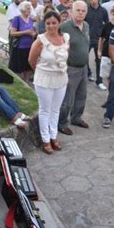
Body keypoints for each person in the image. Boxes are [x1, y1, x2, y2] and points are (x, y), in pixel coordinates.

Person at [29, 11, 70, 154]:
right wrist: (41, 70)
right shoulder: (40, 40)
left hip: (61, 79)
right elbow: (31, 60)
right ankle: (45, 140)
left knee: (55, 109)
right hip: (44, 79)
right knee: (45, 110)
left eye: (54, 23)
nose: (51, 26)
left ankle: (54, 136)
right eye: (48, 23)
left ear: (59, 23)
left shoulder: (65, 37)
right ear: (44, 24)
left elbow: (64, 56)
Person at [58, 0, 90, 135]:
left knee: (82, 96)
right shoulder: (65, 27)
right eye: (78, 10)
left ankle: (76, 118)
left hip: (84, 68)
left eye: (83, 11)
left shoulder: (86, 25)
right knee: (67, 100)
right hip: (71, 69)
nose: (81, 13)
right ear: (71, 11)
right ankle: (62, 123)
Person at [98, 5, 114, 102]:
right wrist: (99, 50)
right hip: (106, 54)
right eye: (113, 14)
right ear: (110, 14)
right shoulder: (107, 26)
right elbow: (101, 38)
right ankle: (110, 98)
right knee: (107, 77)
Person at [85, 0, 109, 89]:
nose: (93, 1)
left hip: (99, 39)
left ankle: (99, 81)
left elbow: (107, 24)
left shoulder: (103, 11)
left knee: (99, 60)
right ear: (89, 0)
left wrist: (104, 38)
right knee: (83, 58)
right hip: (87, 38)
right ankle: (88, 73)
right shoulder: (86, 10)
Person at [9, 1, 36, 84]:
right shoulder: (17, 19)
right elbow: (12, 33)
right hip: (20, 47)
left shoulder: (31, 19)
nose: (30, 10)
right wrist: (25, 32)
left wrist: (33, 34)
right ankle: (19, 82)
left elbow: (33, 30)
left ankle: (26, 81)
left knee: (28, 66)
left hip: (30, 46)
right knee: (19, 67)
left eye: (30, 8)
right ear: (23, 10)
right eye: (28, 8)